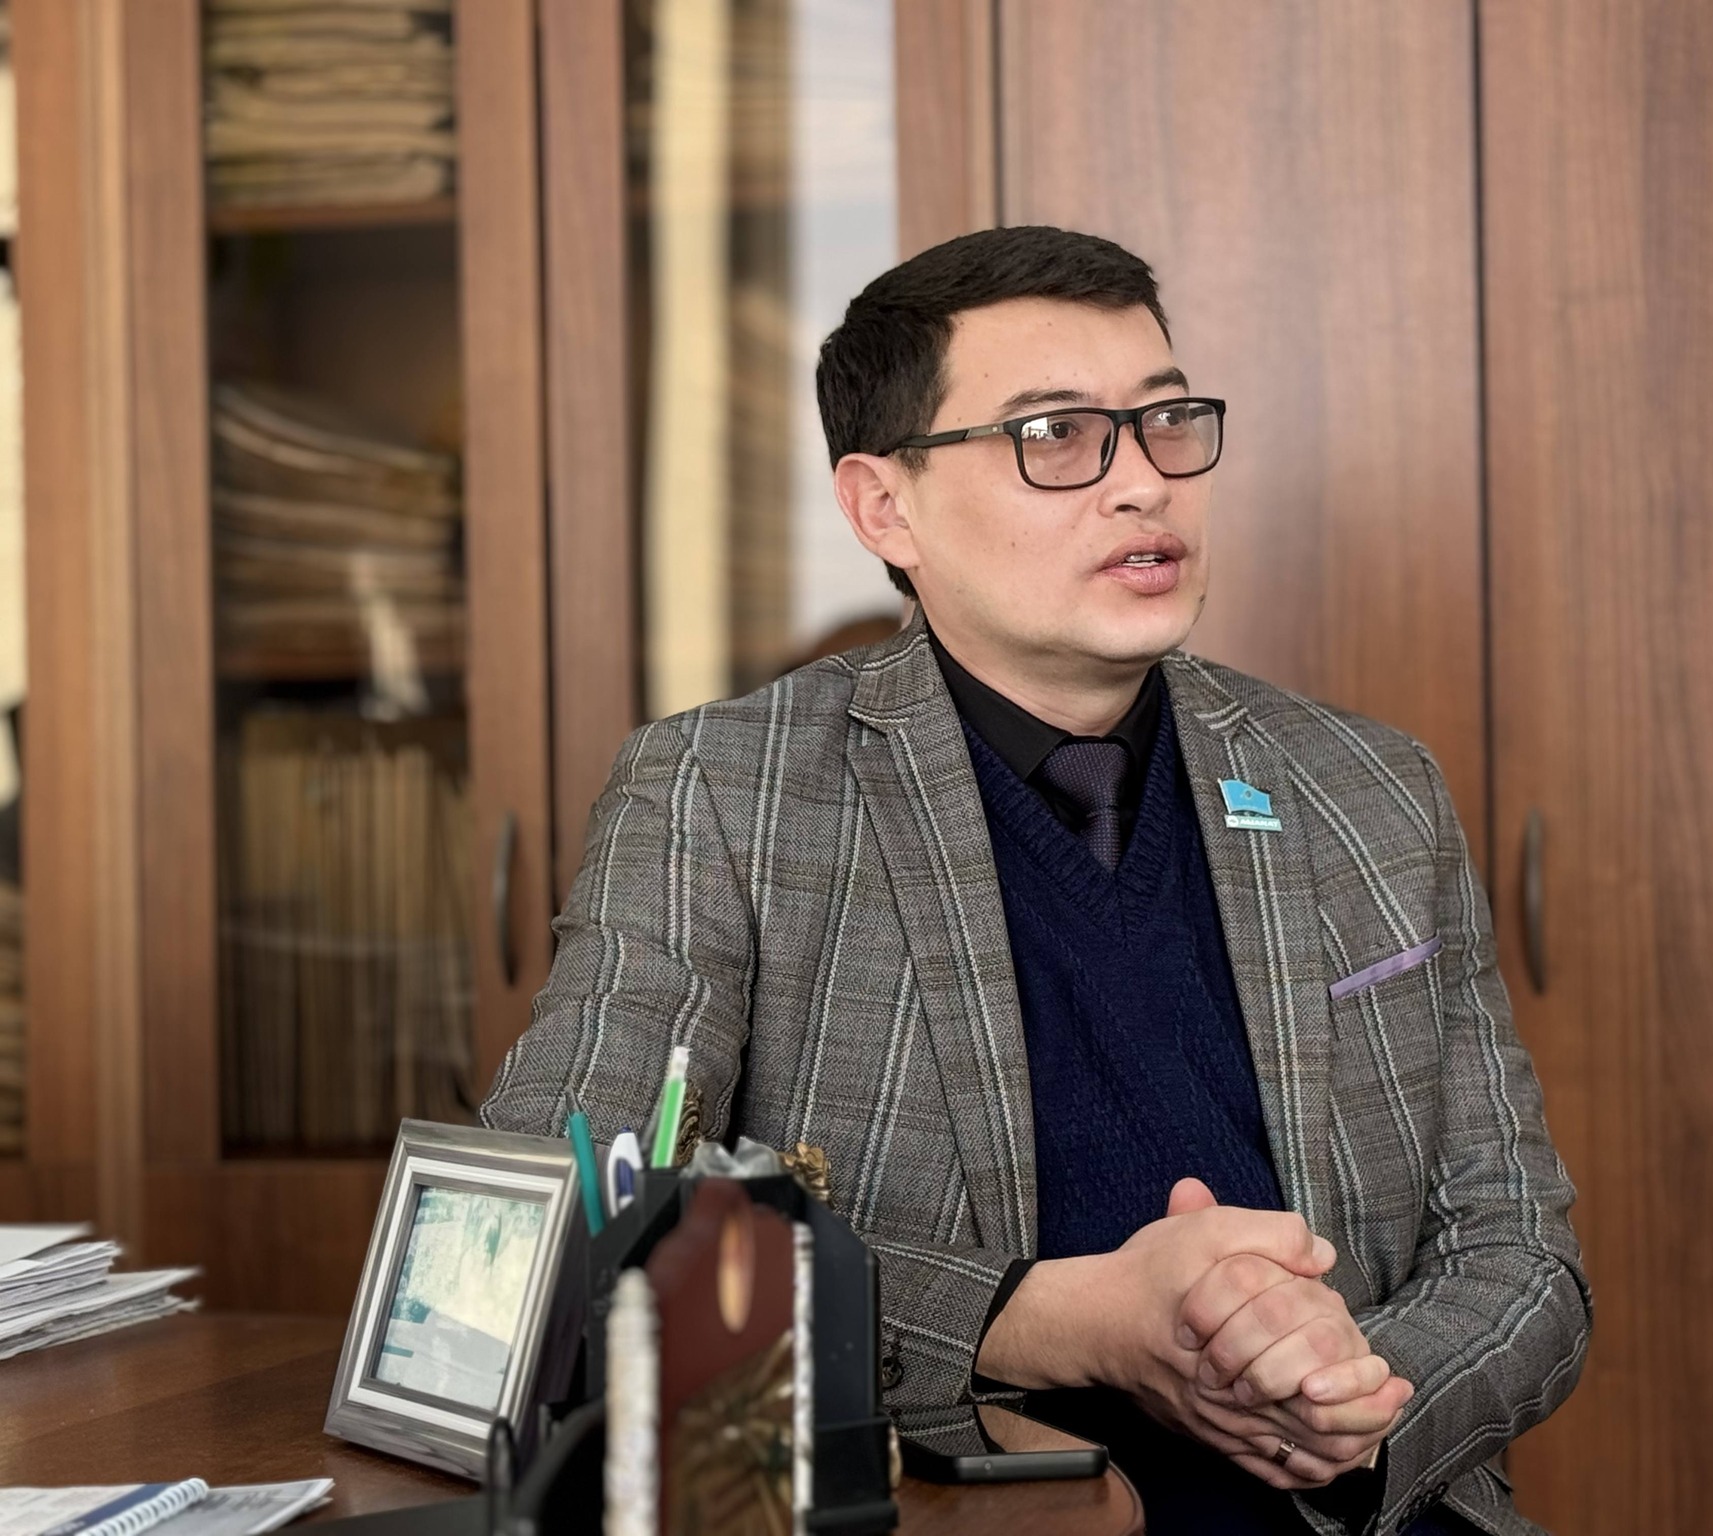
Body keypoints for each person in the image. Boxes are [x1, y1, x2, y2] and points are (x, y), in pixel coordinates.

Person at [481, 226, 1590, 1535]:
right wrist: (1052, 1320)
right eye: (1056, 436)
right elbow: (553, 1225)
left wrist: (1357, 1405)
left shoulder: (1370, 786)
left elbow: (1522, 1252)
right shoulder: (725, 794)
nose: (1145, 484)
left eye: (1166, 420)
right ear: (884, 506)